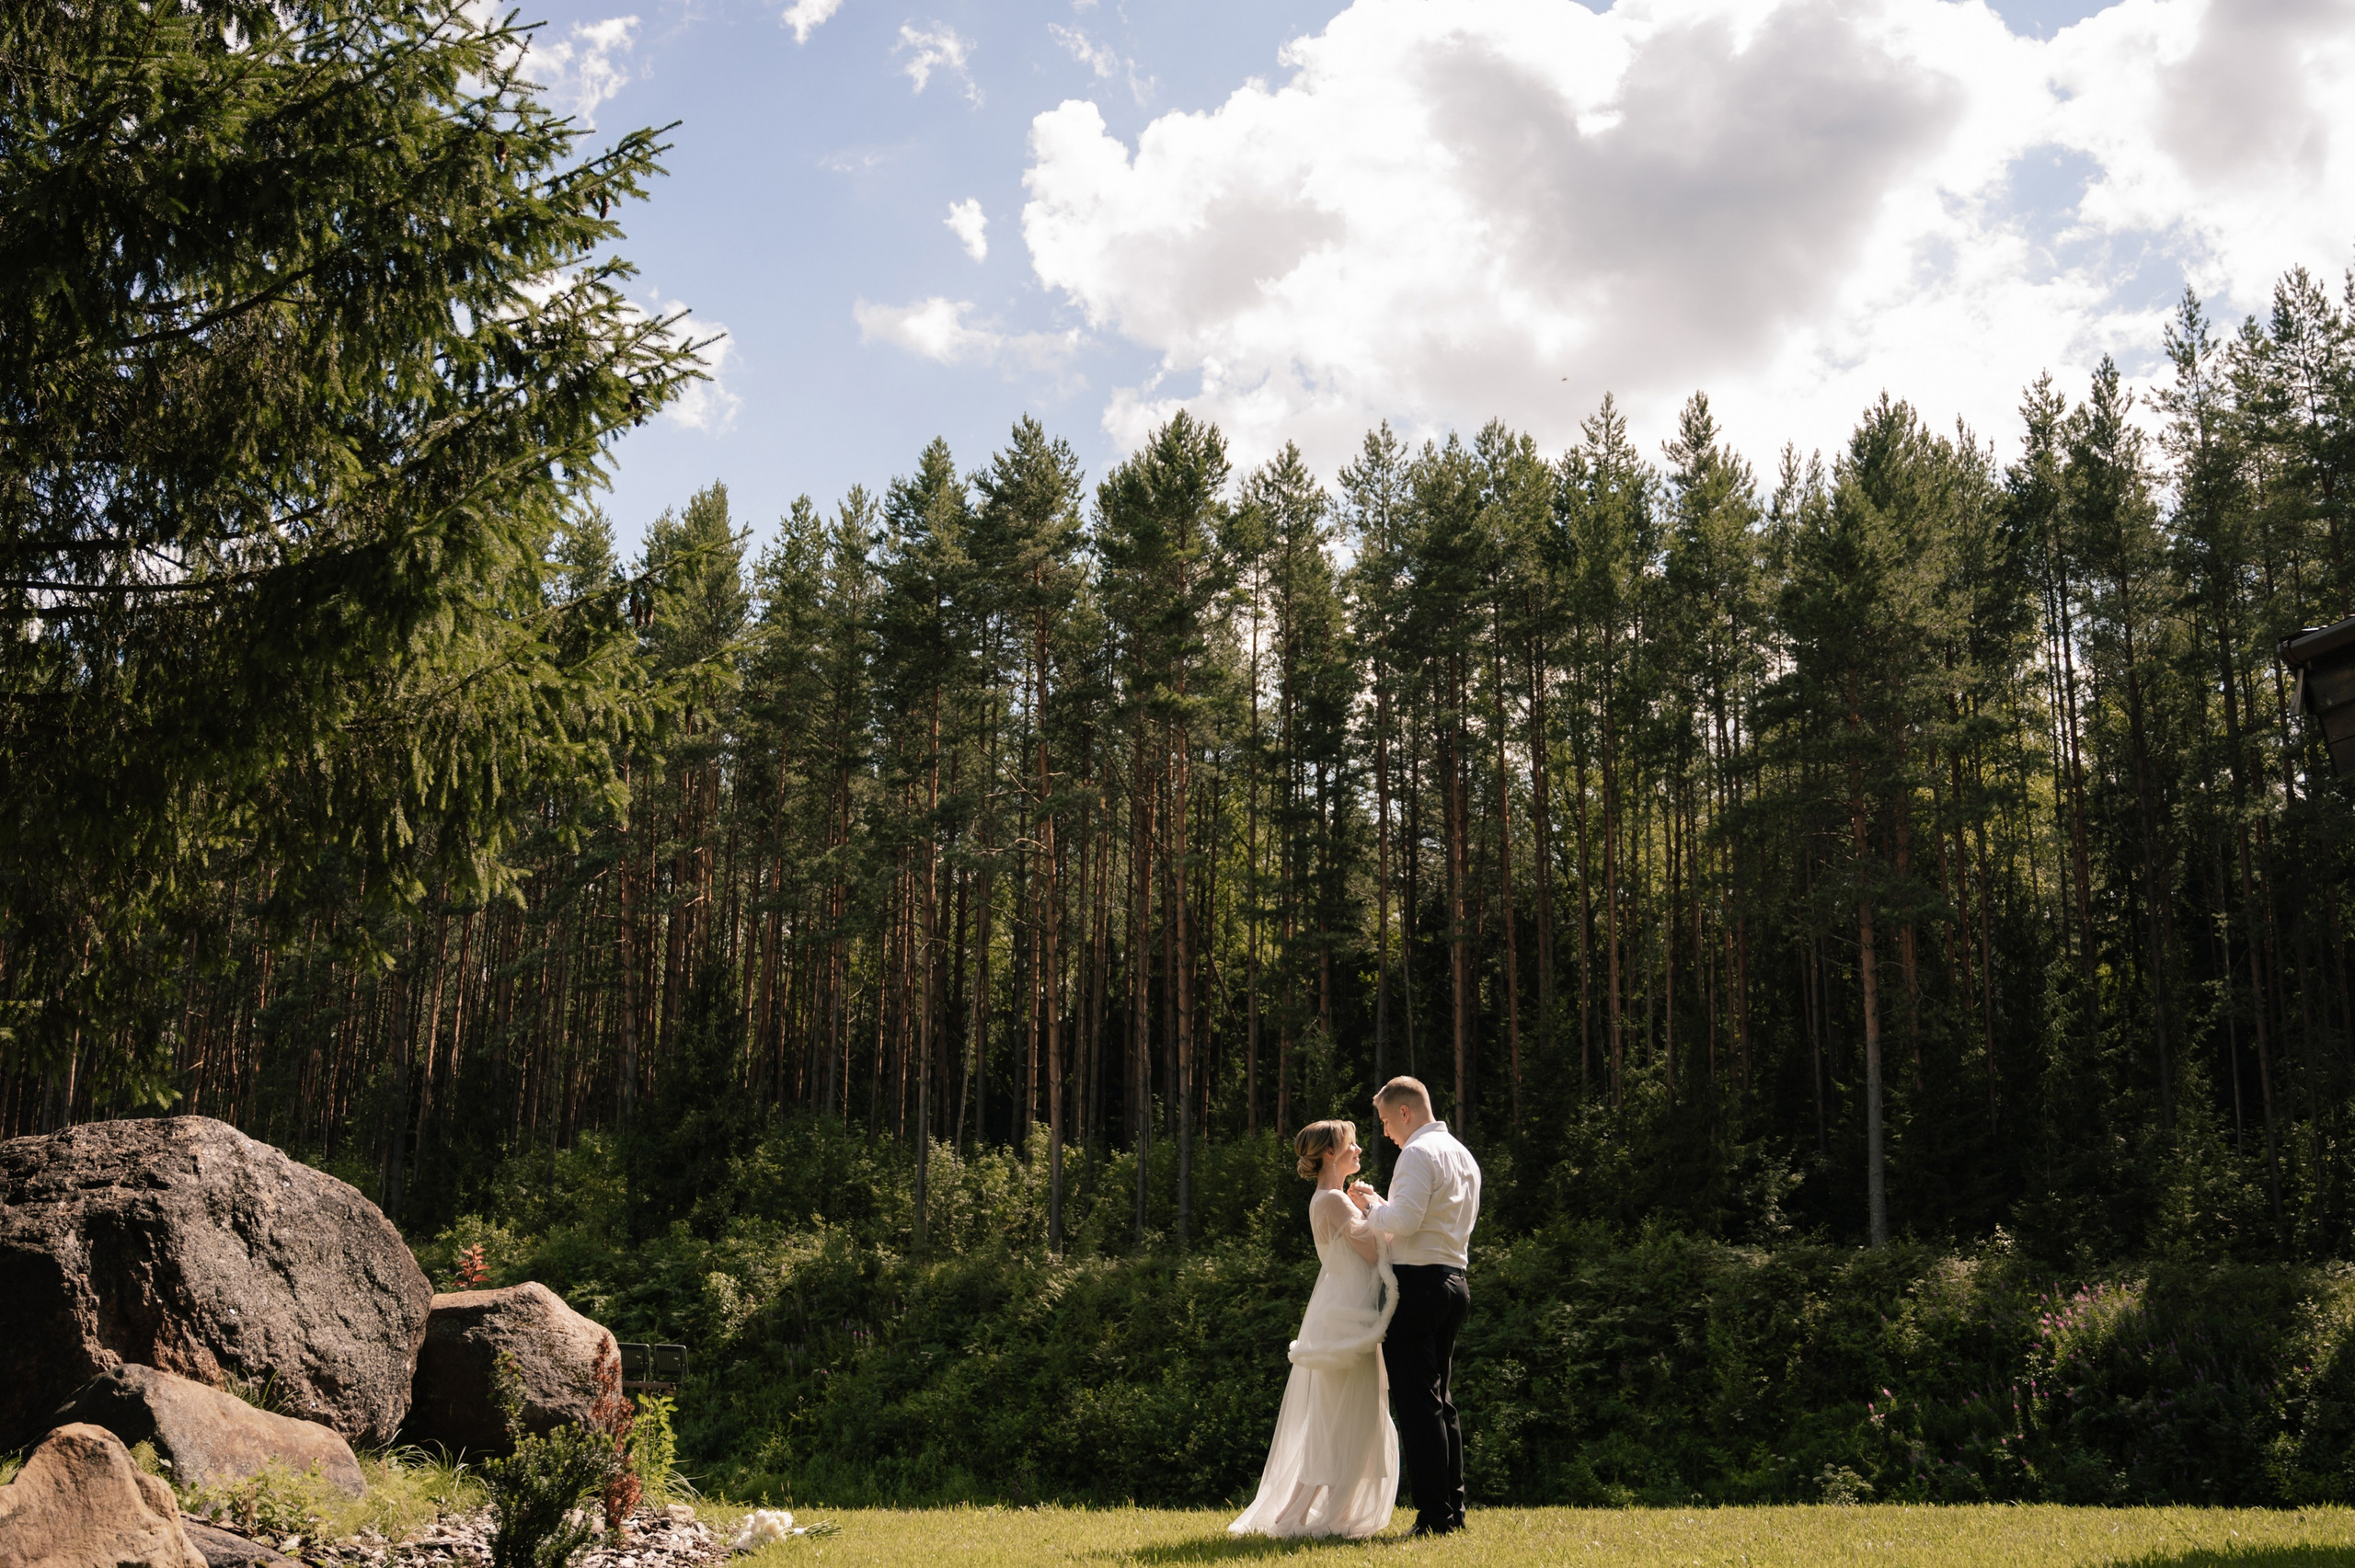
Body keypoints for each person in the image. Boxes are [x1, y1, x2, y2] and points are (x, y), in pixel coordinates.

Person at [1228, 1119, 1400, 1539]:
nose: (1359, 1151)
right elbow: (1378, 1250)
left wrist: (1366, 1206)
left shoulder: (1333, 1199)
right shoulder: (1334, 1202)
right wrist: (1378, 1205)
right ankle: (1295, 1516)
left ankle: (1313, 1514)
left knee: (1342, 1414)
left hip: (1344, 1311)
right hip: (1347, 1318)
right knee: (1339, 1416)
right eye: (1352, 1146)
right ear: (1330, 1153)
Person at [1348, 1076, 1480, 1537]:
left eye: (1385, 1120)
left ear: (1405, 1112)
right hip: (1454, 1282)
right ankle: (1454, 1510)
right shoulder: (1462, 1155)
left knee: (1418, 1405)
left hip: (1420, 1287)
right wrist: (1382, 1203)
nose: (1384, 1131)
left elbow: (1403, 1221)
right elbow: (1419, 1220)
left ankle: (1433, 1517)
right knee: (1442, 1402)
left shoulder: (1417, 1154)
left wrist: (1368, 1211)